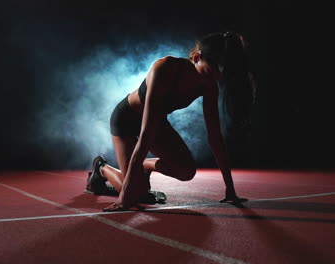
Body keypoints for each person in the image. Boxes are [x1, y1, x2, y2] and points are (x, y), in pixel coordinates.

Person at [86, 31, 255, 211]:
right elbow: (145, 135)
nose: (211, 81)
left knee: (187, 171)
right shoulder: (165, 68)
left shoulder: (209, 85)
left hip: (154, 122)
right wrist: (125, 197)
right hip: (126, 120)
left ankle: (143, 167)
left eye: (216, 77)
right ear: (197, 57)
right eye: (208, 73)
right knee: (136, 193)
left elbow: (215, 137)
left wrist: (230, 188)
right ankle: (102, 168)